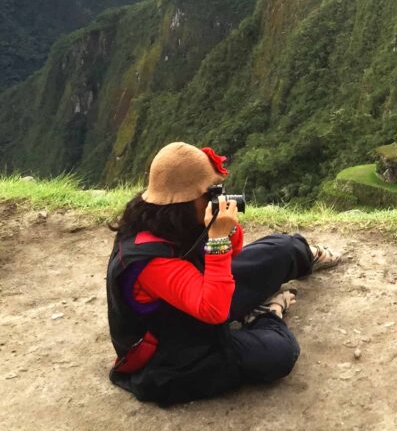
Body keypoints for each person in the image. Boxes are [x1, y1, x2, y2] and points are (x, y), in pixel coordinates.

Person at [106, 142, 342, 406]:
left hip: (198, 295)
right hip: (173, 350)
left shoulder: (173, 219)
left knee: (283, 248)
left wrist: (224, 230)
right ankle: (267, 314)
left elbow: (232, 256)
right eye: (209, 193)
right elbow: (215, 309)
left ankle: (304, 256)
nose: (216, 198)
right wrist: (216, 239)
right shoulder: (147, 260)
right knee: (277, 353)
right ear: (185, 201)